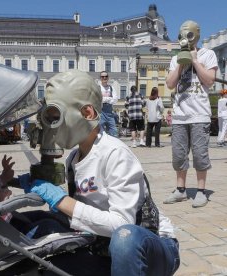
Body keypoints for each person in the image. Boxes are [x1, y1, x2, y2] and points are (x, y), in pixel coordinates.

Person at [20, 70, 179, 276]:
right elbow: (83, 219)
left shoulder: (114, 153)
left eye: (57, 117)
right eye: (49, 118)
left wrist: (60, 200)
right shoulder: (73, 160)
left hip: (149, 247)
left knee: (125, 238)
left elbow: (122, 224)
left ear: (87, 114)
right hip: (105, 248)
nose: (53, 126)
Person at [164, 20, 217, 208]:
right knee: (178, 156)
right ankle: (180, 190)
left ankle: (201, 192)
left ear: (196, 35)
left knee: (200, 155)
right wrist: (181, 62)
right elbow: (170, 84)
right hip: (179, 115)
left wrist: (194, 60)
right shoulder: (175, 58)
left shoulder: (208, 54)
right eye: (182, 36)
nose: (185, 40)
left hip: (199, 115)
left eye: (188, 36)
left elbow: (209, 80)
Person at [99, 71, 119, 137]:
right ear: (100, 78)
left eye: (106, 76)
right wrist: (109, 98)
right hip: (100, 113)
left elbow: (115, 99)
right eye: (102, 76)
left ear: (108, 78)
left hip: (110, 113)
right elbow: (98, 99)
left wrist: (104, 99)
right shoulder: (98, 88)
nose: (104, 78)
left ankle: (113, 146)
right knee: (99, 132)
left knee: (114, 131)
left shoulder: (111, 88)